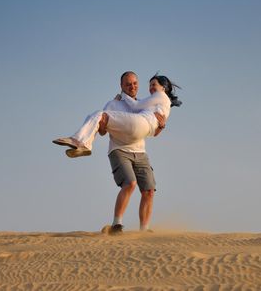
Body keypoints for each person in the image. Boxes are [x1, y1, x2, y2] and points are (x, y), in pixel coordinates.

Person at [53, 71, 181, 234]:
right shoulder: (113, 104)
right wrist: (103, 124)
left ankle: (144, 230)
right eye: (128, 84)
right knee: (130, 183)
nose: (132, 86)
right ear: (121, 86)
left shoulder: (145, 103)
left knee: (149, 190)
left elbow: (152, 131)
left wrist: (161, 126)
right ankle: (117, 224)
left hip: (140, 151)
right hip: (119, 150)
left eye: (135, 83)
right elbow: (102, 131)